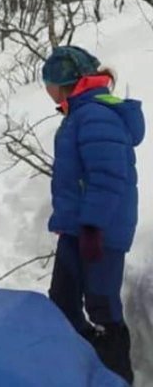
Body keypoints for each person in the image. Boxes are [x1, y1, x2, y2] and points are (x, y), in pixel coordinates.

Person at [42, 46, 144, 385]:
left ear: (63, 82)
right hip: (78, 228)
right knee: (62, 301)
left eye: (48, 81)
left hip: (101, 231)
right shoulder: (79, 112)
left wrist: (92, 225)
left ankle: (117, 376)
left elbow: (108, 175)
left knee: (101, 305)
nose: (45, 89)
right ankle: (79, 366)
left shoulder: (95, 115)